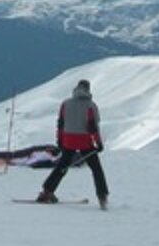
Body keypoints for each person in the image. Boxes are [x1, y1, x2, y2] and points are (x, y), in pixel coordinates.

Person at [37, 79, 109, 209]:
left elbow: (61, 123)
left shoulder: (66, 104)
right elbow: (93, 127)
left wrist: (59, 140)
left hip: (68, 140)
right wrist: (98, 143)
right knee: (96, 169)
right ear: (88, 90)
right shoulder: (91, 105)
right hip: (85, 142)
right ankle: (102, 196)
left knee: (62, 167)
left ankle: (47, 192)